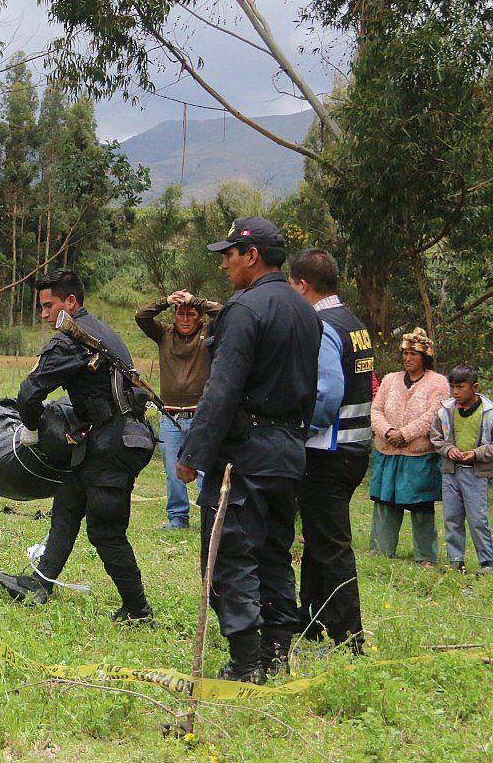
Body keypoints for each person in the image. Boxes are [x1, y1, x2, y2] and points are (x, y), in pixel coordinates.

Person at [175, 218, 321, 684]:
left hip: (246, 451)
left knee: (231, 556)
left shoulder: (244, 309)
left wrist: (192, 453)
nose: (224, 265)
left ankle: (245, 662)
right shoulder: (304, 311)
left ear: (252, 255)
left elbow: (222, 390)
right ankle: (277, 654)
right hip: (288, 450)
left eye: (229, 255)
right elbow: (311, 388)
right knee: (276, 554)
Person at [0, 269, 156, 621]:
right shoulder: (100, 330)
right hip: (104, 438)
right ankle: (39, 584)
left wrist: (31, 427)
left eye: (48, 305)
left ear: (70, 302)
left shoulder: (72, 338)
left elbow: (31, 391)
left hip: (113, 442)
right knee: (67, 506)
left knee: (105, 531)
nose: (43, 314)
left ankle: (138, 609)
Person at [288, 249, 374, 652]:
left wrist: (301, 430)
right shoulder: (354, 324)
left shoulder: (321, 325)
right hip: (356, 447)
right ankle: (313, 618)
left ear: (302, 285)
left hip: (328, 449)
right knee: (320, 538)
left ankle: (347, 636)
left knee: (332, 544)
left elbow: (327, 392)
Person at [135, 289, 222, 529]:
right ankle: (177, 518)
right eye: (180, 314)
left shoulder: (208, 332)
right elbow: (141, 317)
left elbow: (226, 314)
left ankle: (209, 517)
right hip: (170, 416)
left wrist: (197, 301)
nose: (185, 319)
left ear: (200, 317)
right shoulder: (164, 334)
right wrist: (165, 301)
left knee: (205, 470)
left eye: (191, 314)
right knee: (174, 474)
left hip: (201, 416)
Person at [368, 328, 448, 565]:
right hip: (387, 450)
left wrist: (405, 434)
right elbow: (376, 409)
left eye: (413, 353)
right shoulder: (390, 379)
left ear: (424, 356)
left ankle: (425, 555)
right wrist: (387, 431)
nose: (408, 358)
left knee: (421, 504)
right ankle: (381, 550)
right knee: (385, 500)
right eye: (405, 353)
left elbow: (433, 415)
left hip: (418, 453)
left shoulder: (438, 383)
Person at [429, 365, 493, 574]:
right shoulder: (445, 411)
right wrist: (448, 449)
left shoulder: (489, 413)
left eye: (461, 387)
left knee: (477, 520)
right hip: (451, 471)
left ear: (475, 387)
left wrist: (477, 453)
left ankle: (487, 563)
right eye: (453, 387)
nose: (455, 392)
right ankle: (455, 561)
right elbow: (436, 437)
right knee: (452, 518)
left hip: (476, 474)